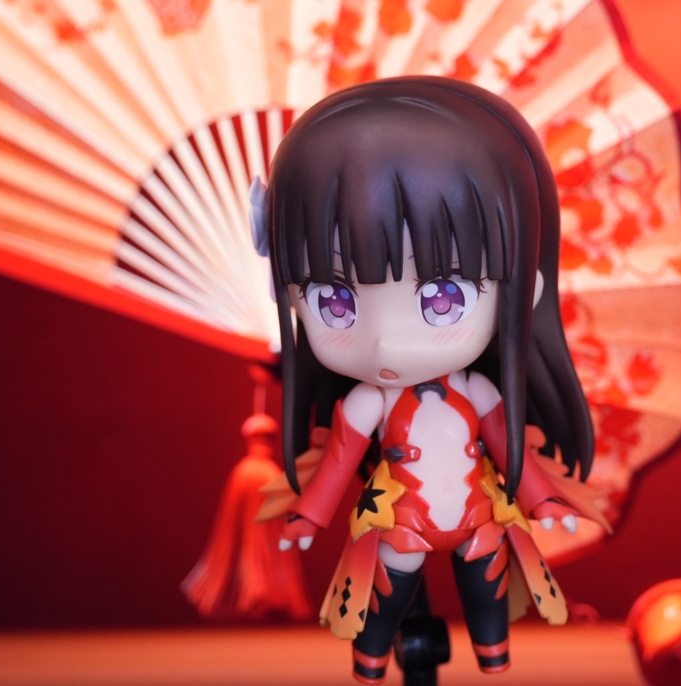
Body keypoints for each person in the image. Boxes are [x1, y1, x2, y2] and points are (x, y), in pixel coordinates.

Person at [254, 76, 609, 684]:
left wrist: (543, 498)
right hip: (402, 519)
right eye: (334, 299)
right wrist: (310, 514)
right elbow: (339, 460)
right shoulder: (367, 403)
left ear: (522, 290)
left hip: (477, 512)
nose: (386, 342)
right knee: (386, 586)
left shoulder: (479, 393)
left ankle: (492, 655)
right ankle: (371, 661)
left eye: (442, 297)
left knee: (487, 571)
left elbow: (508, 446)